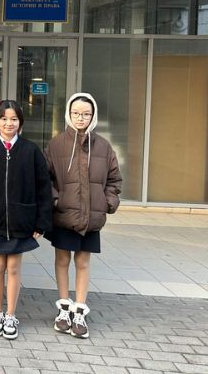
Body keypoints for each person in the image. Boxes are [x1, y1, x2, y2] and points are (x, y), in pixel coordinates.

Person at [0, 100, 52, 340]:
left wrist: (41, 222)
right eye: (4, 119)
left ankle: (11, 314)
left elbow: (43, 188)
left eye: (14, 119)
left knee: (14, 268)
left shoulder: (31, 150)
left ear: (21, 122)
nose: (9, 123)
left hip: (21, 219)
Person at [44, 93, 122, 339]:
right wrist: (56, 200)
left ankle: (79, 310)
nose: (81, 118)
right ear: (69, 114)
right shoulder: (56, 144)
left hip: (91, 216)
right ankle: (63, 308)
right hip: (64, 214)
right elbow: (45, 178)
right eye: (76, 113)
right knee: (62, 259)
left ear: (93, 115)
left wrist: (107, 202)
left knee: (83, 261)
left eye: (86, 114)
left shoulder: (103, 147)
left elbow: (114, 180)